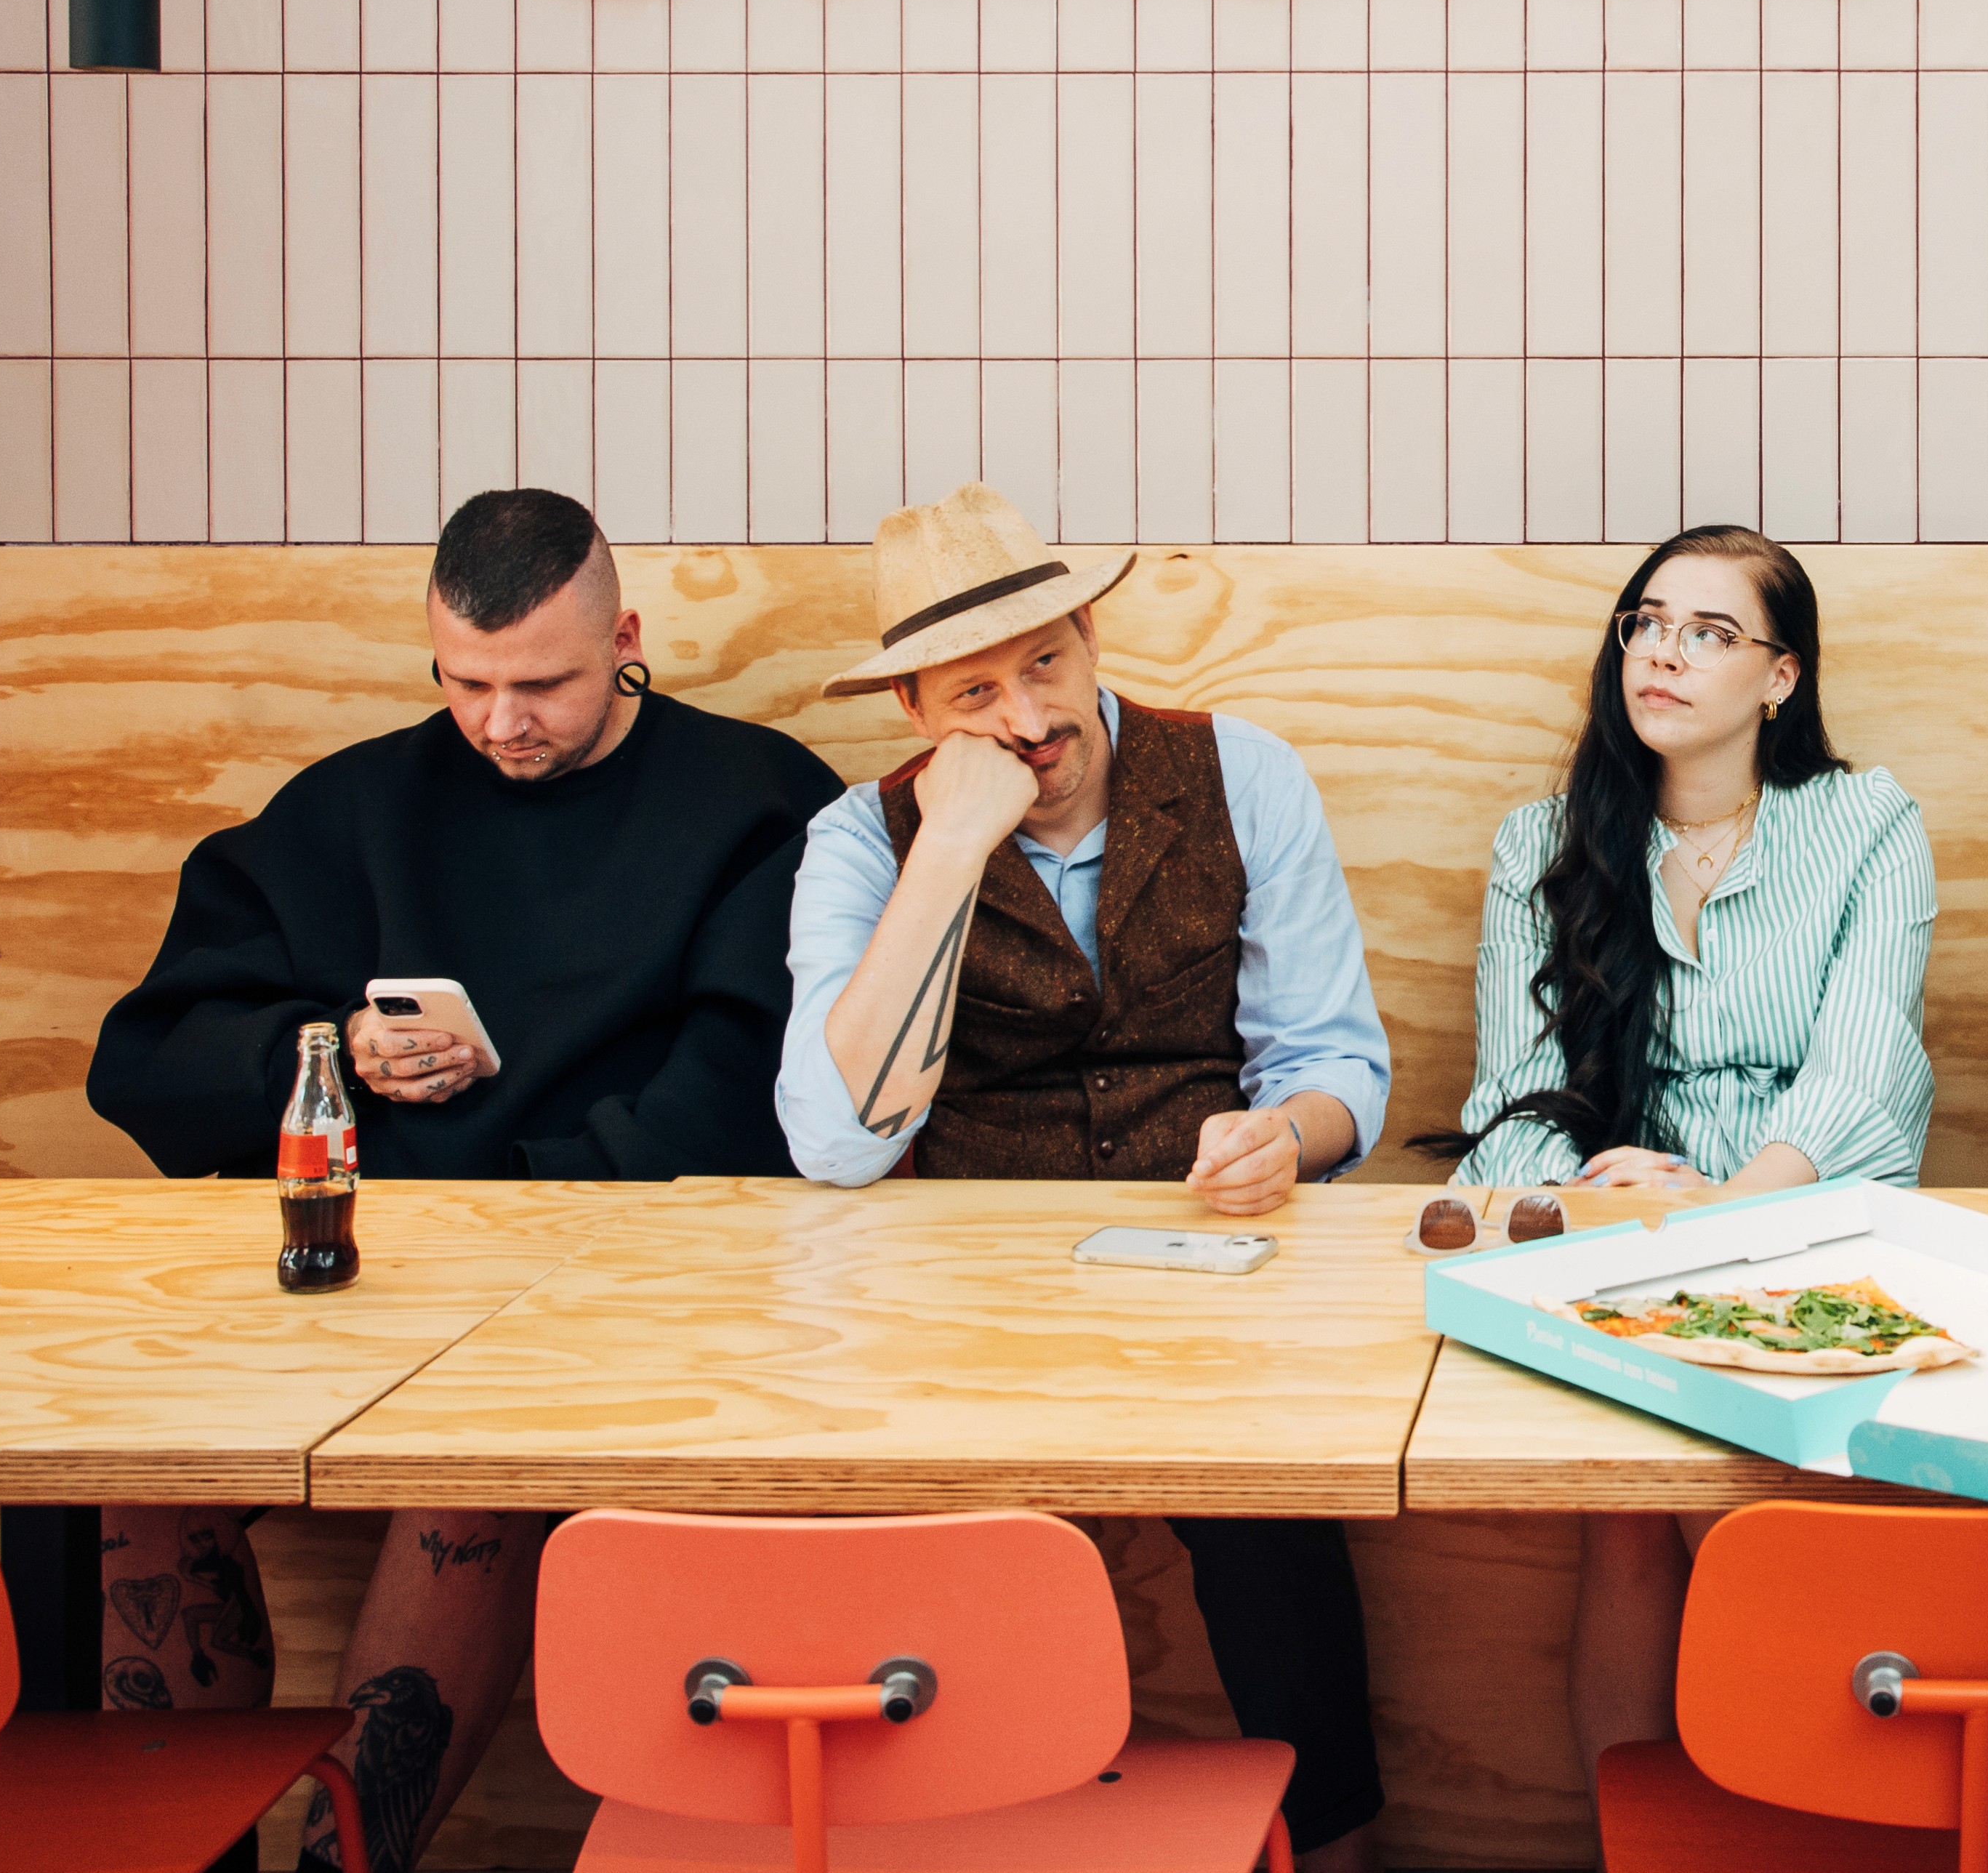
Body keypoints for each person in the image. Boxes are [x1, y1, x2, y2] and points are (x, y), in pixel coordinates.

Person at [85, 488, 841, 1873]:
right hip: (351, 1272)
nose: (501, 722)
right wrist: (332, 1050)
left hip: (610, 1286)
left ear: (625, 638)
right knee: (138, 1468)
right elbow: (144, 1063)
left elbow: (752, 1091)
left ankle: (339, 1863)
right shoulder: (356, 804)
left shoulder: (755, 800)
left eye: (543, 683)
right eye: (467, 681)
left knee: (466, 1477)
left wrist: (528, 1215)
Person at [777, 482, 1394, 1873]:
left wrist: (1280, 1141)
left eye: (1045, 663)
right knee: (948, 1550)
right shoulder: (860, 844)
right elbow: (836, 1142)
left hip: (1220, 1262)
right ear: (916, 714)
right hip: (970, 1290)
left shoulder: (1244, 771)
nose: (1028, 718)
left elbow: (1341, 1066)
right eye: (974, 692)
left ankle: (1334, 1841)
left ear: (1091, 631)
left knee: (1275, 1517)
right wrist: (948, 847)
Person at [1430, 525, 1938, 1788]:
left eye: (1709, 633)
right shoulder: (1536, 845)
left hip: (1807, 1229)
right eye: (1646, 624)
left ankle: (1816, 1815)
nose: (1661, 654)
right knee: (1619, 1517)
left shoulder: (1866, 824)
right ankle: (1642, 1842)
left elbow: (1862, 1078)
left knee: (1723, 1508)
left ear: (1780, 677)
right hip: (1608, 1242)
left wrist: (1715, 1211)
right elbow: (1514, 1099)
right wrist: (1591, 1203)